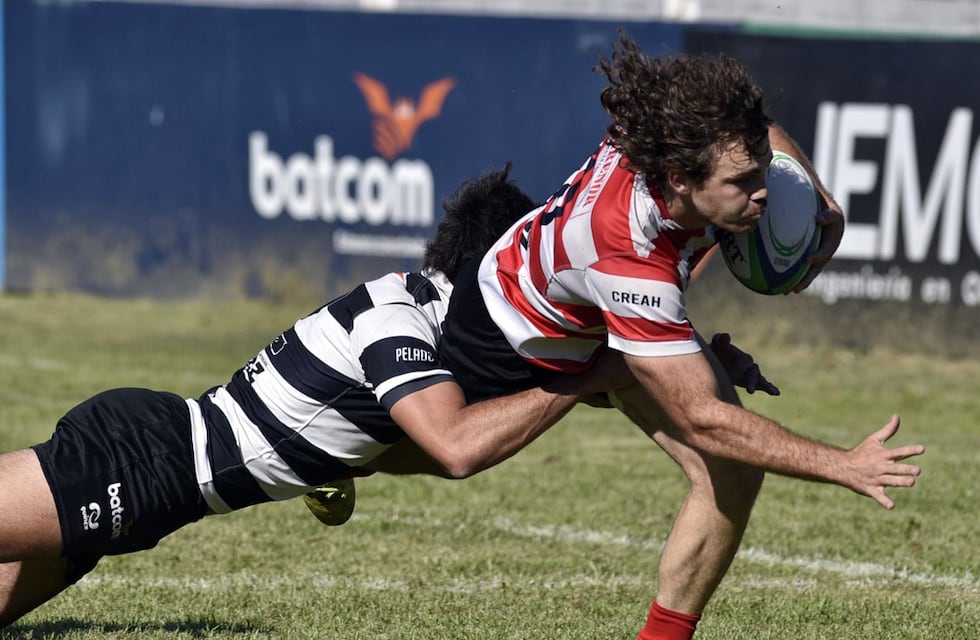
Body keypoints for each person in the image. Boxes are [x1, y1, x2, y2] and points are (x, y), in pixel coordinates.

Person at [0, 166, 657, 627]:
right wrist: (589, 378)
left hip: (163, 484)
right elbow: (457, 447)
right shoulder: (397, 320)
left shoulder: (443, 333)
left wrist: (675, 355)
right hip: (143, 460)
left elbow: (473, 414)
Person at [434, 32, 925, 640]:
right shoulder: (628, 253)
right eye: (745, 183)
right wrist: (843, 465)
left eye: (761, 175)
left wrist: (819, 194)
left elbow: (754, 126)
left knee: (732, 472)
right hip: (507, 335)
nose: (764, 194)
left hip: (594, 313)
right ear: (681, 178)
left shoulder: (682, 139)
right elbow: (703, 418)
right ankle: (333, 446)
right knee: (423, 454)